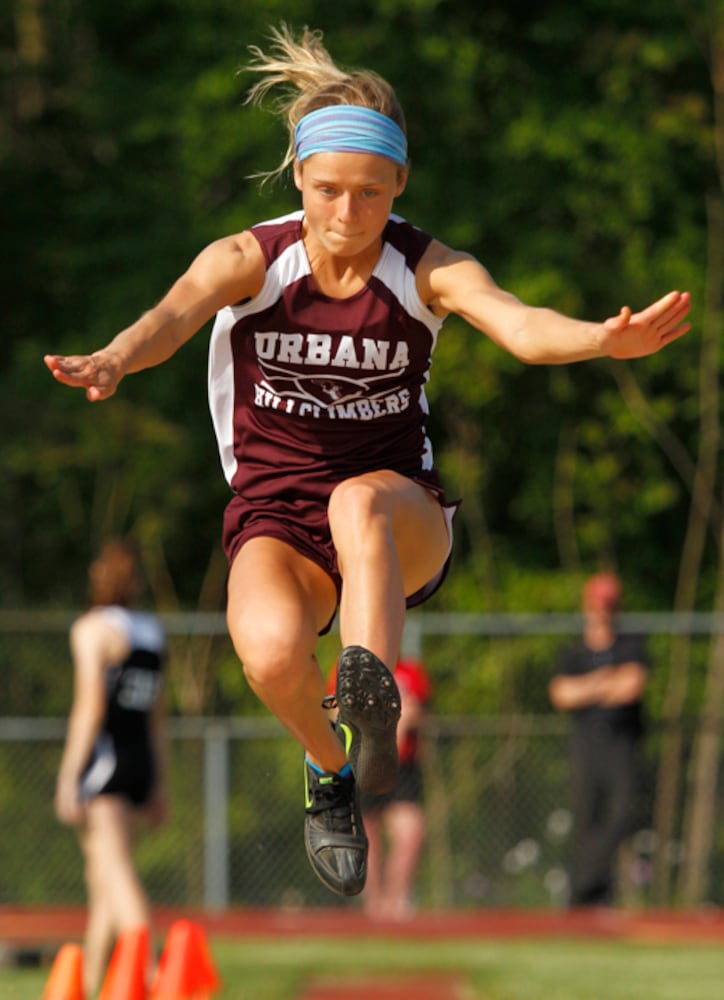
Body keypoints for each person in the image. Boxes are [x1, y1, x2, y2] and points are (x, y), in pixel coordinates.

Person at [44, 24, 690, 899]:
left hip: (397, 516)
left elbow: (521, 324)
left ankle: (370, 692)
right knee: (270, 655)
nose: (348, 216)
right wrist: (117, 356)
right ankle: (331, 773)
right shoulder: (252, 260)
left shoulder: (426, 268)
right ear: (299, 180)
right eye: (329, 192)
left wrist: (601, 341)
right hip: (275, 514)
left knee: (358, 501)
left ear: (400, 185)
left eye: (370, 195)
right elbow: (171, 316)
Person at [54, 539, 167, 996]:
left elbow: (90, 708)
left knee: (116, 874)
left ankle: (155, 974)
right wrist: (160, 784)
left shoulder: (92, 629)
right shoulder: (152, 632)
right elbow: (157, 720)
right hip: (140, 762)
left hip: (106, 764)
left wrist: (68, 779)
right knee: (100, 880)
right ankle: (93, 983)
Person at [549, 572, 650, 907]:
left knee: (622, 814)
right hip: (585, 742)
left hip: (622, 741)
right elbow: (562, 695)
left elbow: (632, 686)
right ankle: (594, 895)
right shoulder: (574, 650)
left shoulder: (630, 643)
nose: (603, 611)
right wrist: (606, 682)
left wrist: (586, 689)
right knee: (585, 817)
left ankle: (582, 887)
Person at [327, 655, 432, 919]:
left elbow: (420, 711)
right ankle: (374, 907)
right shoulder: (349, 668)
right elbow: (334, 710)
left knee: (410, 832)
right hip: (362, 762)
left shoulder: (410, 671)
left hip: (402, 766)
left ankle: (398, 900)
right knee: (367, 834)